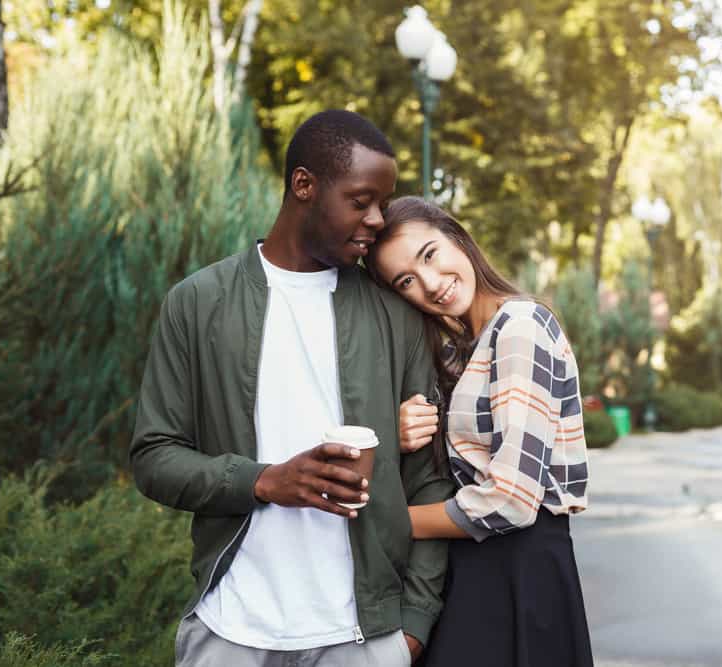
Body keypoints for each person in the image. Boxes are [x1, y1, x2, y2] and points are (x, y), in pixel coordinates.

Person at [130, 111, 454, 667]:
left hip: (363, 636)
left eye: (383, 202)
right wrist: (263, 481)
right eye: (361, 200)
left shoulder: (393, 316)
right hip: (231, 629)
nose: (377, 219)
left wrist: (414, 623)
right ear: (304, 185)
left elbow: (427, 478)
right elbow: (154, 457)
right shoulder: (198, 301)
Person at [365, 196, 593, 667]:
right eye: (406, 280)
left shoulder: (521, 326)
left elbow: (511, 499)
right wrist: (401, 428)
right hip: (474, 567)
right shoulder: (461, 350)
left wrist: (391, 521)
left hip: (522, 570)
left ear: (456, 236)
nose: (430, 283)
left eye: (429, 254)